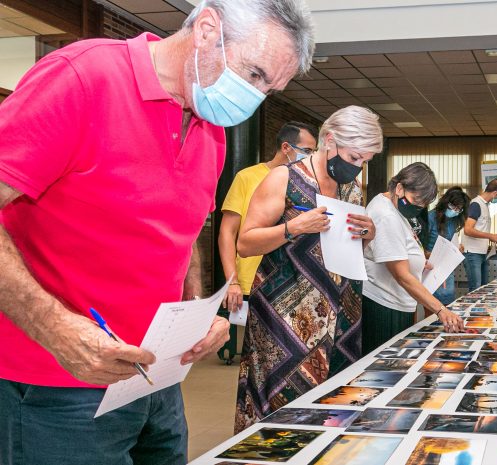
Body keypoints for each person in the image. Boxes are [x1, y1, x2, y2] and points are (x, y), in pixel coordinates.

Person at [0, 0, 314, 463]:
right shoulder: (83, 78)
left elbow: (182, 233)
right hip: (57, 383)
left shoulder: (212, 126)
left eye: (271, 88)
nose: (256, 96)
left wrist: (194, 308)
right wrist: (55, 326)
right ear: (207, 29)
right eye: (254, 74)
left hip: (154, 378)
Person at [234, 105, 382, 432]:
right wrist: (295, 227)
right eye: (355, 157)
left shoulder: (351, 189)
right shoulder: (283, 178)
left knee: (335, 402)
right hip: (286, 313)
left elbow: (348, 244)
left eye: (365, 161)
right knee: (282, 406)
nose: (358, 168)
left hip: (341, 310)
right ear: (330, 140)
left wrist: (367, 235)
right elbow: (245, 243)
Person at [362, 163, 466, 354]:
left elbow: (399, 248)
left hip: (396, 301)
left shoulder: (393, 206)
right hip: (385, 304)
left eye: (423, 204)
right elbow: (402, 275)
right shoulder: (386, 215)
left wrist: (418, 261)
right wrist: (441, 310)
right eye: (416, 201)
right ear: (399, 188)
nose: (419, 208)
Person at [219, 121, 318, 314]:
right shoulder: (247, 177)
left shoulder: (308, 183)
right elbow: (227, 232)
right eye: (307, 151)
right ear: (286, 147)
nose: (310, 157)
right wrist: (232, 281)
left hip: (293, 281)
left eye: (314, 152)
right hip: (250, 282)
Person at [426, 187, 471, 305]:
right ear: (445, 203)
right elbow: (419, 247)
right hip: (429, 265)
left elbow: (450, 241)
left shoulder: (454, 220)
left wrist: (456, 248)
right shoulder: (430, 217)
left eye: (459, 209)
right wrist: (432, 254)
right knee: (432, 304)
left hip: (446, 266)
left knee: (448, 301)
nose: (455, 211)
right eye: (453, 207)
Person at [462, 178, 497, 291]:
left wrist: (494, 237)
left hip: (482, 252)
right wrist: (490, 236)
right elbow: (467, 229)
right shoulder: (476, 204)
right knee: (475, 289)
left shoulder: (485, 205)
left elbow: (480, 229)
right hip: (472, 253)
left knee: (483, 289)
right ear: (495, 193)